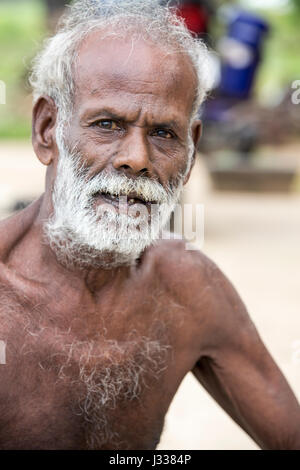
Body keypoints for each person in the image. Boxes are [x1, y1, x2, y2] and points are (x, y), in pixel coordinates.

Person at [0, 0, 299, 450]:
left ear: (192, 150)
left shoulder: (189, 289)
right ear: (47, 130)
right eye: (107, 124)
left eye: (163, 134)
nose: (137, 159)